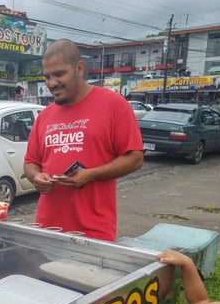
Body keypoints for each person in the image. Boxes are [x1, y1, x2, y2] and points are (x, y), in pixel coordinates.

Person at [23, 38, 144, 242]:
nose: (52, 83)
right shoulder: (45, 116)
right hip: (46, 229)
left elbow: (135, 158)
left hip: (93, 232)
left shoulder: (113, 105)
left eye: (59, 74)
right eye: (47, 77)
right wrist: (36, 177)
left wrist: (90, 175)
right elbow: (30, 162)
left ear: (79, 68)